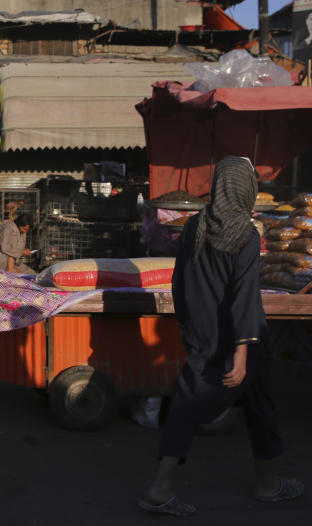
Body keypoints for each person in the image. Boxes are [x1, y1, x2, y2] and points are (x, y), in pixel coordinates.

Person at [140, 156, 304, 516]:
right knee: (202, 404)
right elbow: (244, 294)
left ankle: (265, 482)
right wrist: (243, 350)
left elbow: (179, 281)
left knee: (247, 402)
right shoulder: (245, 234)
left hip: (203, 331)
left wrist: (187, 326)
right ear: (246, 188)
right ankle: (162, 486)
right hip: (240, 338)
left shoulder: (196, 225)